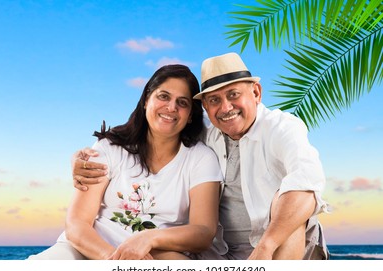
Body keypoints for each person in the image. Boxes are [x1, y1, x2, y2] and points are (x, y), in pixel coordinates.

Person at [71, 53, 330, 260]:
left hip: (277, 250)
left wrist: (266, 247)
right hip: (221, 256)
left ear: (256, 93)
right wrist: (85, 157)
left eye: (233, 95)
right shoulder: (206, 132)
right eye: (214, 100)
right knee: (159, 255)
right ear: (204, 107)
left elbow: (307, 185)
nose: (225, 107)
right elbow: (161, 125)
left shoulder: (282, 128)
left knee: (290, 204)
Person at [28, 64, 222, 260]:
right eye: (163, 96)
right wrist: (115, 260)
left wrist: (149, 239)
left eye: (182, 102)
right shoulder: (109, 148)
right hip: (89, 248)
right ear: (146, 100)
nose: (171, 107)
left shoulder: (201, 158)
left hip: (156, 254)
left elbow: (203, 232)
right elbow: (77, 224)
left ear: (190, 116)